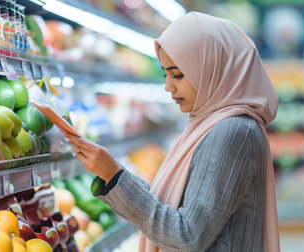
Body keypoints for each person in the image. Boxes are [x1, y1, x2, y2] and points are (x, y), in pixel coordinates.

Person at [64, 11, 280, 252]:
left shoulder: (231, 131)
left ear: (213, 67)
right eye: (165, 73)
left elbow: (187, 237)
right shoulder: (209, 124)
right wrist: (111, 175)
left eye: (177, 74)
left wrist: (115, 177)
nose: (168, 86)